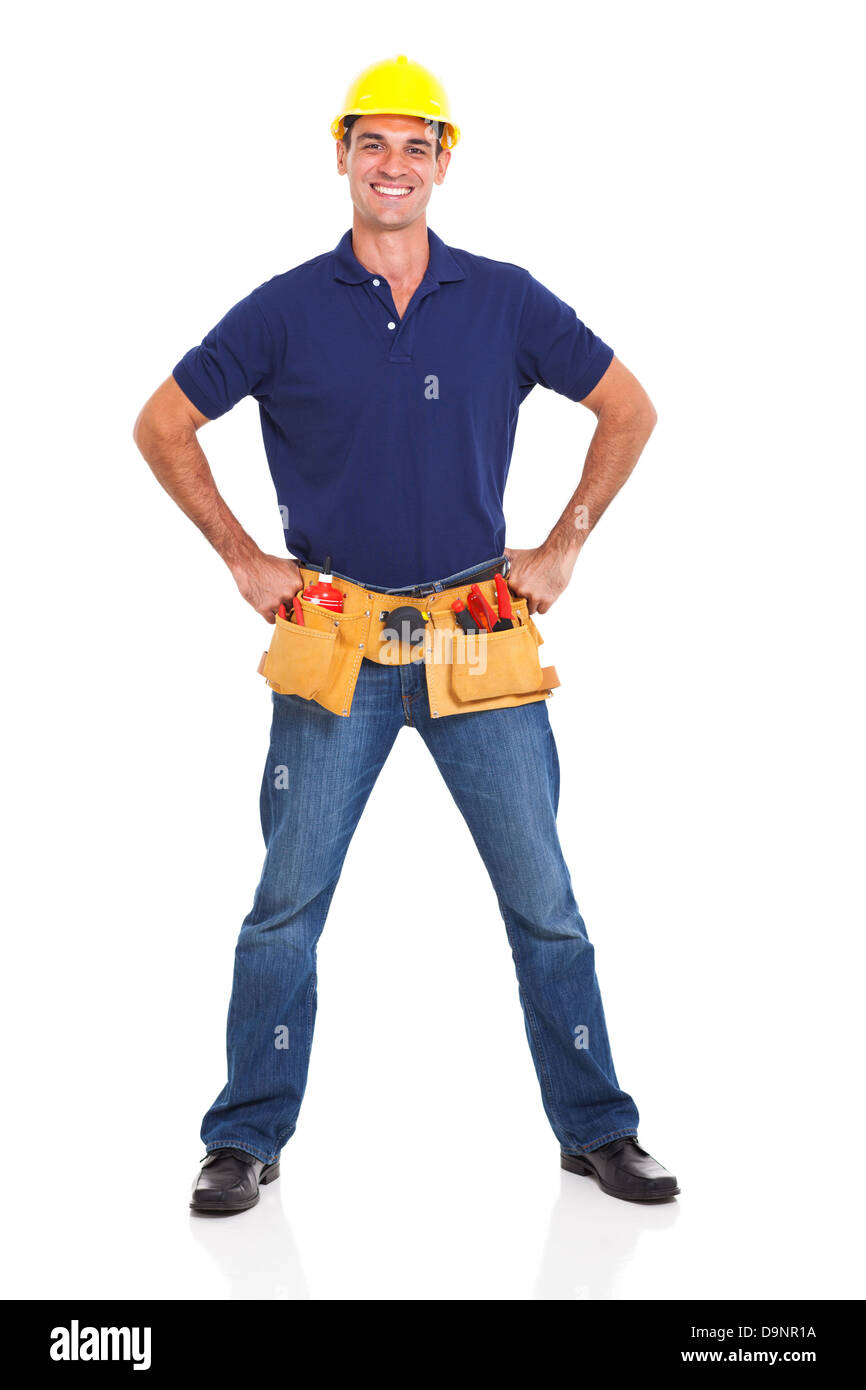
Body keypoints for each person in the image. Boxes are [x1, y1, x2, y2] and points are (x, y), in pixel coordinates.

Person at [133, 54, 679, 1214]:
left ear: (444, 162)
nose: (393, 166)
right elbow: (164, 421)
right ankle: (244, 1136)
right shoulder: (284, 307)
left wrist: (564, 539)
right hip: (335, 629)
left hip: (476, 622)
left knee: (543, 898)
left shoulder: (504, 297)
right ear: (340, 154)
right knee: (286, 903)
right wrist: (242, 555)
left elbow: (627, 407)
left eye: (415, 146)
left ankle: (597, 1128)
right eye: (372, 143)